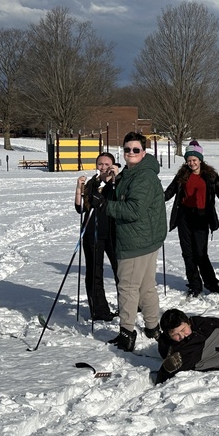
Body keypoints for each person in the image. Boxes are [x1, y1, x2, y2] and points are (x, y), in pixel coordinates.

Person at [93, 132, 166, 352]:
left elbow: (134, 209)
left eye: (135, 150)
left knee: (127, 287)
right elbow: (124, 193)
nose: (131, 153)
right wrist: (114, 181)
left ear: (144, 153)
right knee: (145, 286)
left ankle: (127, 332)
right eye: (127, 150)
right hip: (146, 238)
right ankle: (153, 327)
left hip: (135, 239)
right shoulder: (134, 172)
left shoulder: (143, 176)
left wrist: (106, 205)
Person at [163, 140, 219, 298]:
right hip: (184, 216)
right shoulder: (182, 175)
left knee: (200, 253)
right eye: (188, 160)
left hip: (202, 217)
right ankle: (195, 285)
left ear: (200, 159)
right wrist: (158, 199)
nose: (191, 163)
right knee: (187, 253)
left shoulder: (210, 175)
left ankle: (211, 283)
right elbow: (171, 190)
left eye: (194, 160)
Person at [74, 152, 118, 321]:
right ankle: (99, 310)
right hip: (92, 233)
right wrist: (79, 188)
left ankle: (129, 304)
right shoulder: (92, 183)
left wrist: (113, 181)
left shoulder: (117, 182)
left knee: (121, 270)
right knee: (94, 271)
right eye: (100, 164)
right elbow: (80, 208)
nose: (103, 167)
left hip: (114, 233)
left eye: (107, 164)